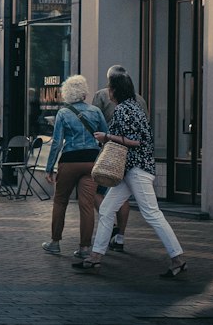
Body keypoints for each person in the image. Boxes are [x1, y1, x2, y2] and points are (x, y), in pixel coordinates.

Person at [72, 72, 186, 277]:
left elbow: (135, 141)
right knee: (107, 209)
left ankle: (177, 258)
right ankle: (95, 257)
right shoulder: (134, 107)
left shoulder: (124, 109)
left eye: (110, 87)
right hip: (130, 170)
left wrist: (106, 136)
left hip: (136, 170)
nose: (108, 91)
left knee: (152, 214)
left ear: (115, 90)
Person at [41, 75, 108, 259]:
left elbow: (56, 142)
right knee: (86, 205)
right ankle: (85, 247)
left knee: (60, 201)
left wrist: (49, 167)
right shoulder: (95, 111)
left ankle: (55, 242)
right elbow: (106, 137)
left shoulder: (63, 113)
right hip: (90, 161)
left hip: (69, 161)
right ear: (84, 92)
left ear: (67, 93)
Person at [91, 64, 149, 251]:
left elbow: (95, 122)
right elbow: (145, 127)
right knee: (121, 198)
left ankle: (109, 234)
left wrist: (104, 138)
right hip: (133, 159)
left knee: (97, 192)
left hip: (112, 153)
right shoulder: (139, 99)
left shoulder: (103, 96)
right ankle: (119, 237)